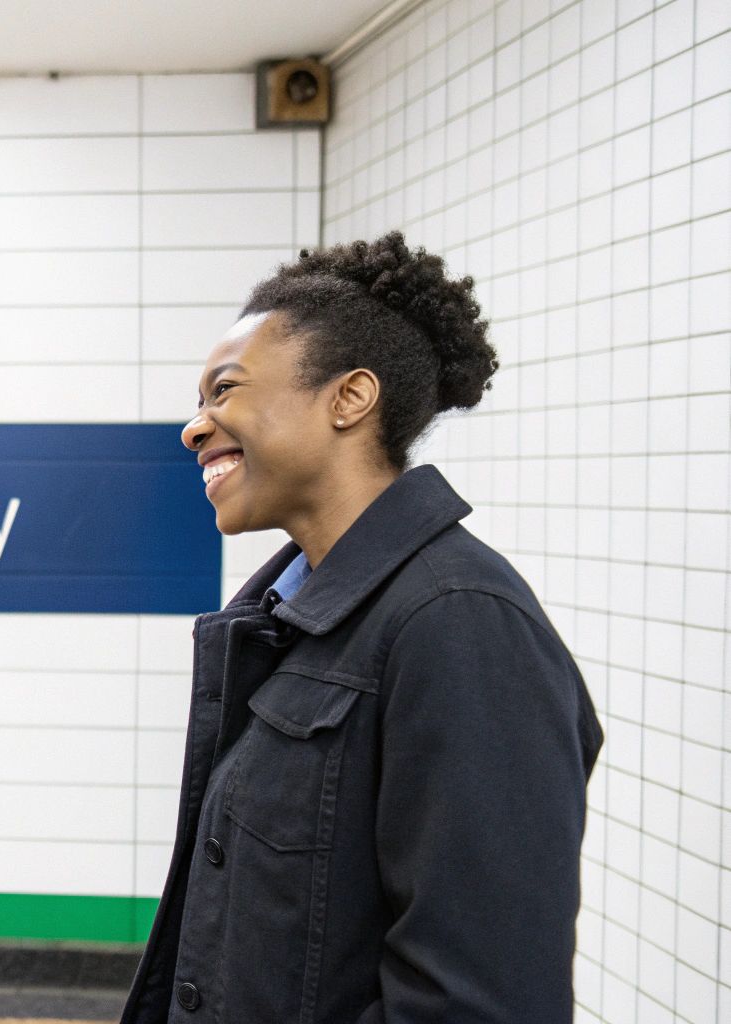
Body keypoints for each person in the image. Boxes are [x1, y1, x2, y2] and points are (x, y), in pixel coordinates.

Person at [120, 233, 603, 1023]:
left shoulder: (460, 625)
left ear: (349, 398)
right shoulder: (295, 621)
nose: (195, 427)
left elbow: (478, 1003)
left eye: (224, 392)